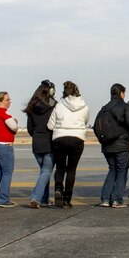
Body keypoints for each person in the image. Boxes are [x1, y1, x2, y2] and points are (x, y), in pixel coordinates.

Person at [47, 80, 89, 209]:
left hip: (60, 139)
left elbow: (50, 125)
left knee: (60, 168)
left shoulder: (59, 106)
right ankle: (67, 198)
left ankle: (58, 188)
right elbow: (86, 122)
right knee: (72, 170)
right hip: (77, 139)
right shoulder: (84, 106)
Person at [96, 83, 129, 208]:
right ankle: (117, 200)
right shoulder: (125, 107)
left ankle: (105, 199)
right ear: (121, 93)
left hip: (107, 146)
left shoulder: (103, 109)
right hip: (121, 145)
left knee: (112, 170)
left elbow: (95, 127)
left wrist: (103, 139)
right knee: (121, 171)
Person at [23, 80, 56, 209]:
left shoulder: (32, 106)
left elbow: (30, 128)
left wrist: (37, 136)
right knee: (46, 171)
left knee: (44, 171)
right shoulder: (54, 105)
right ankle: (36, 198)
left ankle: (44, 199)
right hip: (49, 142)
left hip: (36, 143)